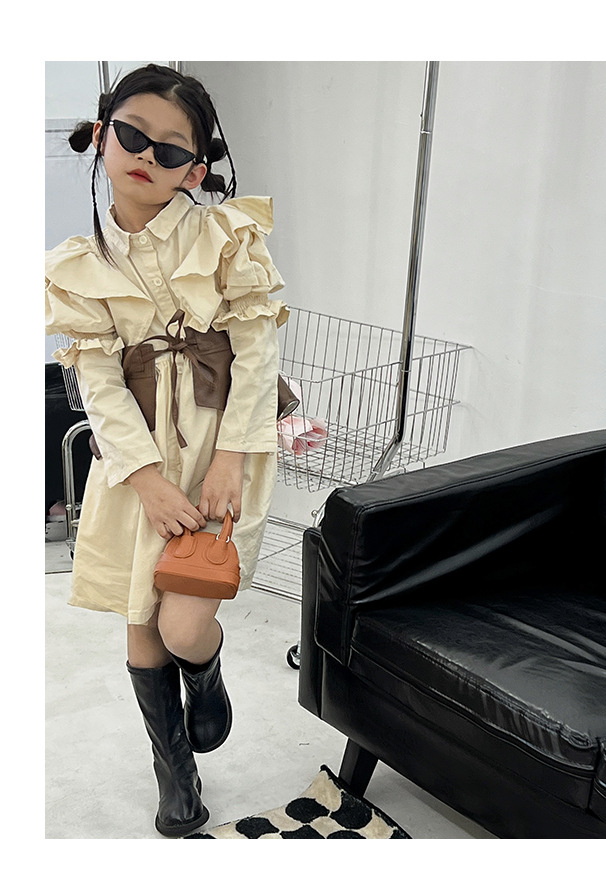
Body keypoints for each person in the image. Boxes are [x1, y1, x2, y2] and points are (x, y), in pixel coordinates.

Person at [45, 64, 288, 837]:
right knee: (141, 612)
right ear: (101, 135)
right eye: (132, 134)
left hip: (223, 446)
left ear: (196, 168)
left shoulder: (225, 237)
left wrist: (231, 458)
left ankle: (204, 673)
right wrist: (145, 478)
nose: (147, 155)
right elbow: (98, 380)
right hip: (135, 461)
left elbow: (257, 351)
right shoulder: (78, 265)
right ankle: (174, 770)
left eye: (172, 148)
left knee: (184, 623)